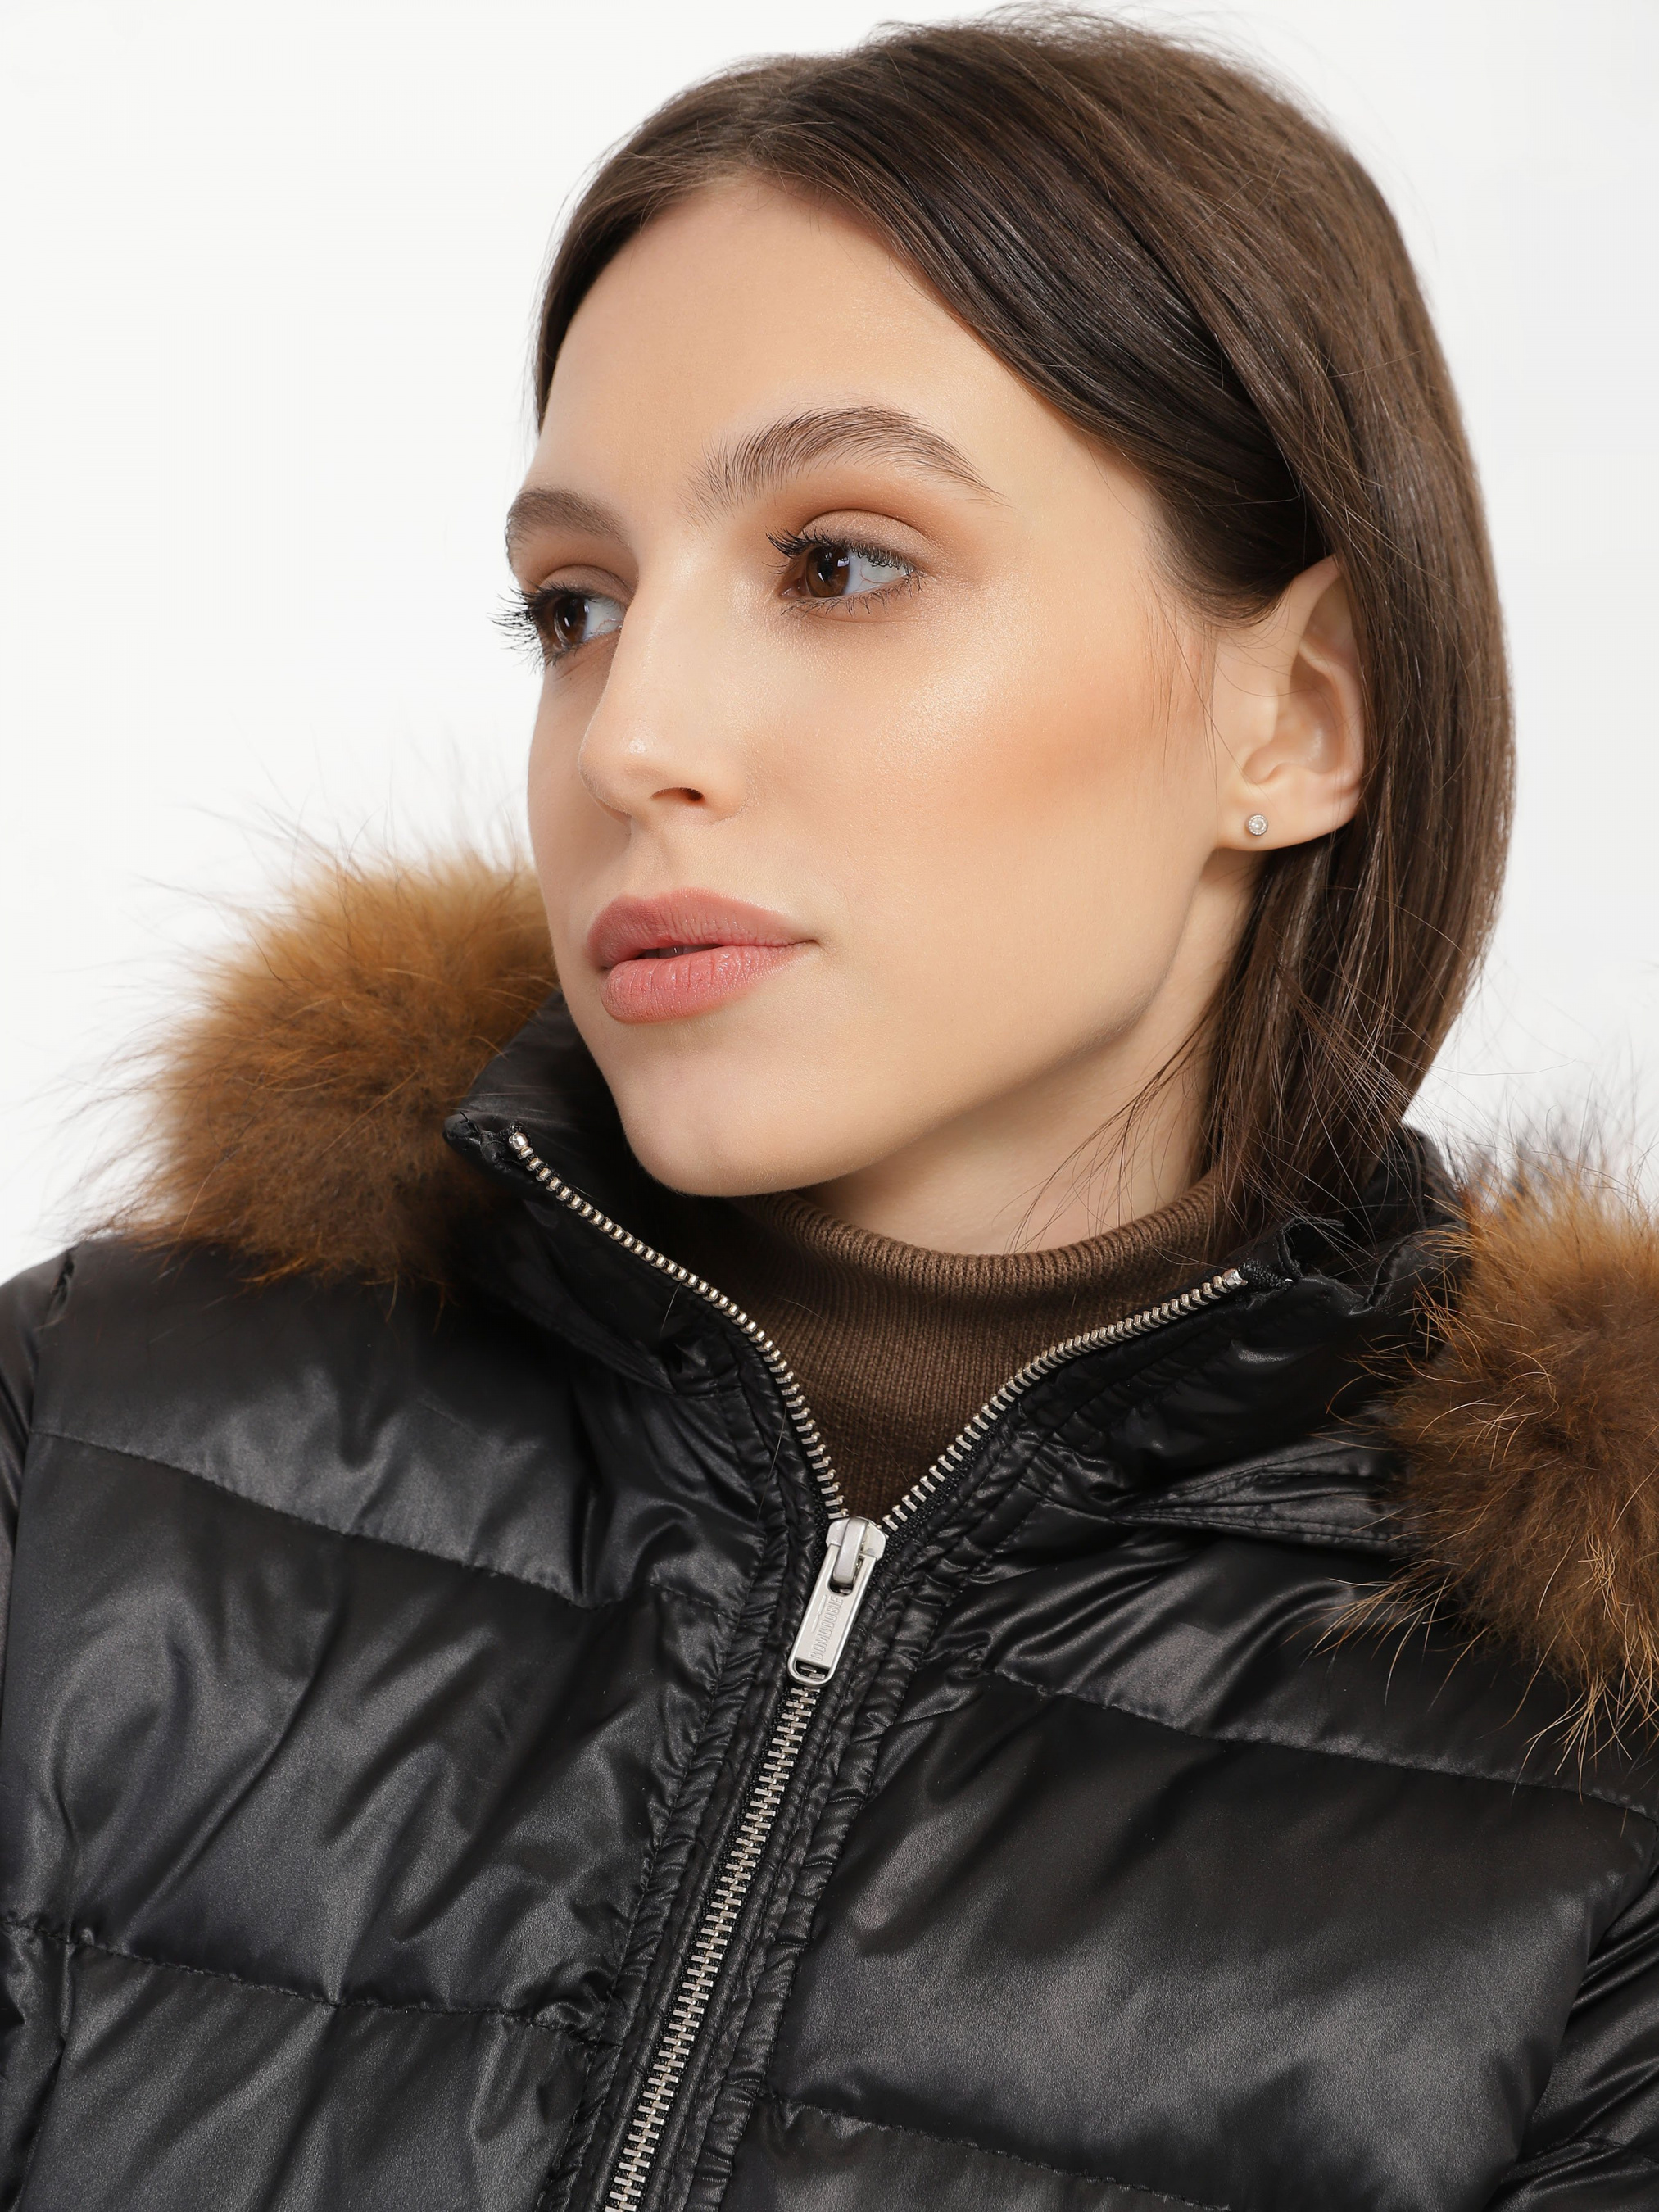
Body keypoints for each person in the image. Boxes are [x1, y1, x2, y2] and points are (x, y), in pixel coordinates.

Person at [2, 13, 1656, 2208]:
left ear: (1297, 714)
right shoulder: (83, 1443)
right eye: (576, 606)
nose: (630, 737)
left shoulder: (1599, 1800)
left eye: (840, 562)